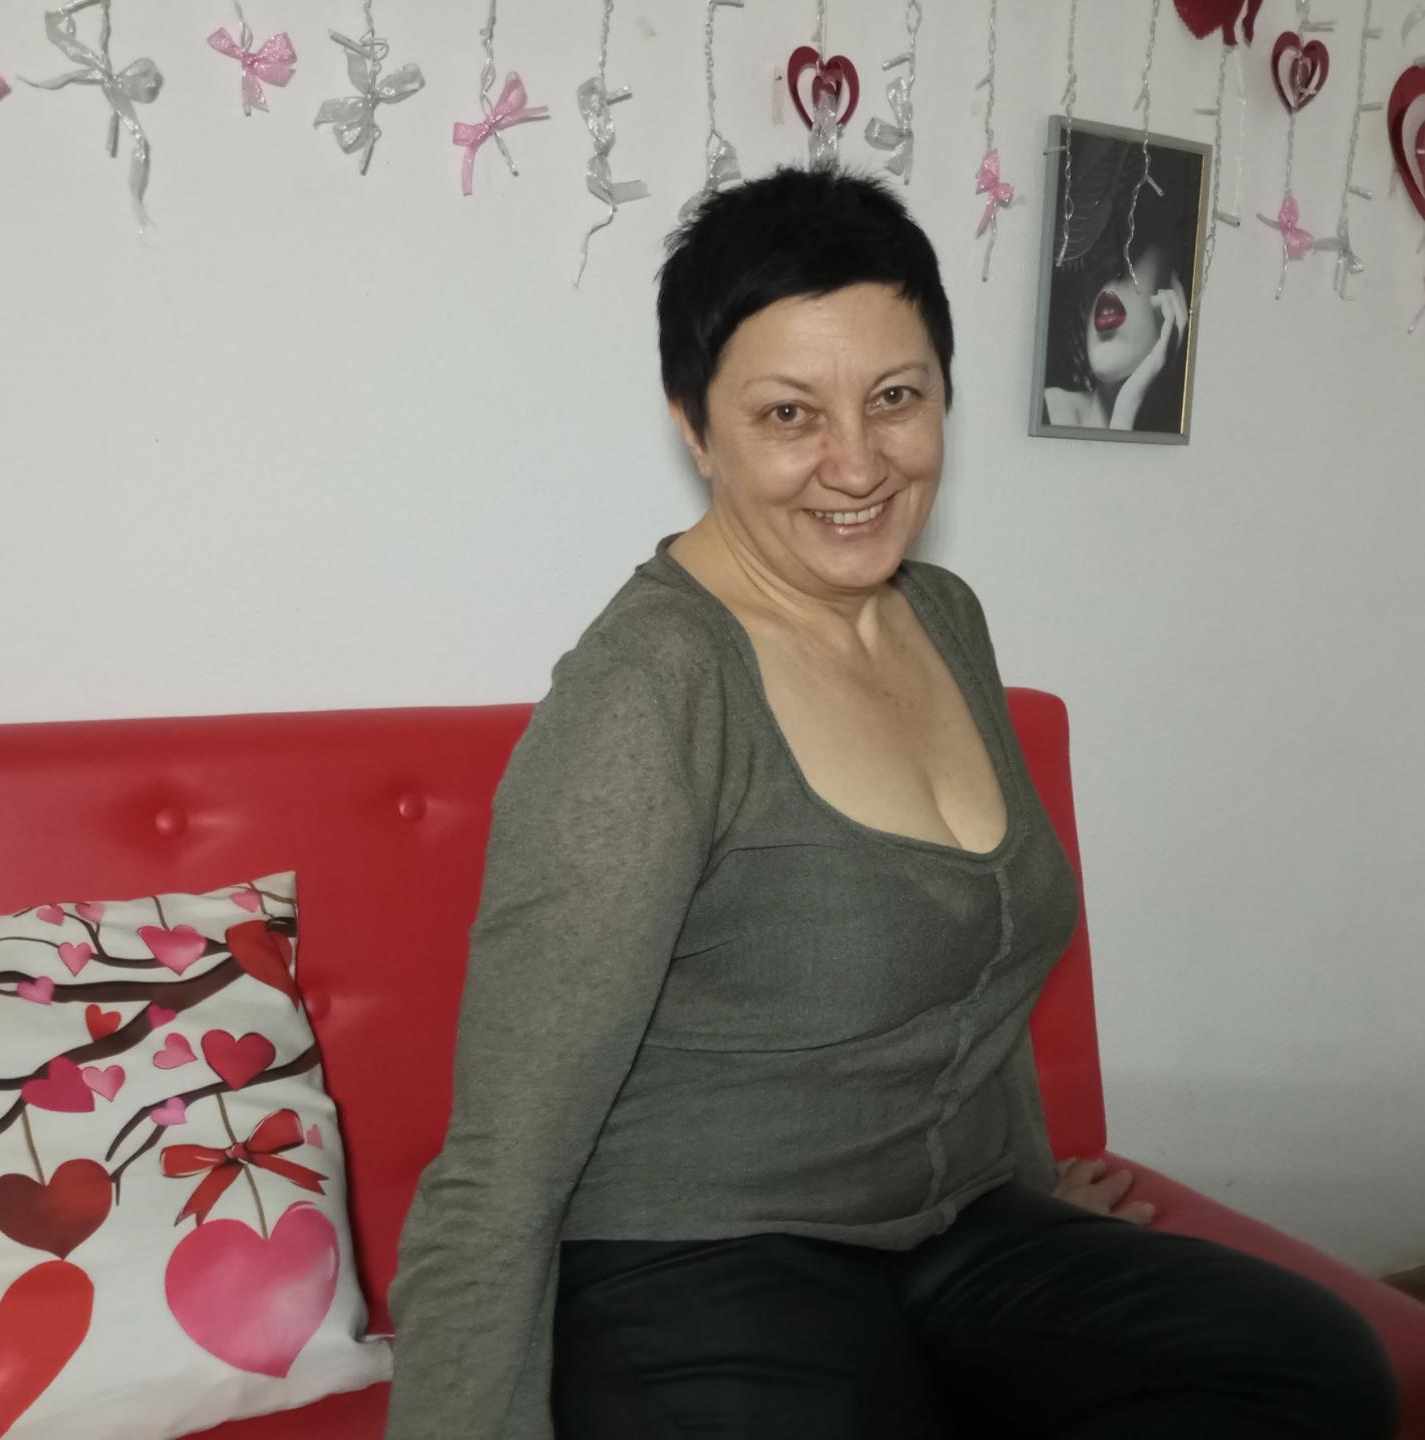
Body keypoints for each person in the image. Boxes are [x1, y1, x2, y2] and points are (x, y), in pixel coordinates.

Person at [384, 168, 1396, 1439]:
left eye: (896, 398)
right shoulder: (648, 694)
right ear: (697, 428)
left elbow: (981, 957)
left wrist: (1030, 1194)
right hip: (692, 1258)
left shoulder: (943, 616)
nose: (857, 462)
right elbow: (499, 1161)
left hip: (948, 1231)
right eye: (789, 413)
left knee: (1313, 1367)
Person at [1042, 133, 1195, 433]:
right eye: (1096, 249)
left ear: (1178, 284)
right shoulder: (1044, 410)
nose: (1107, 264)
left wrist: (1124, 415)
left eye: (1131, 237)